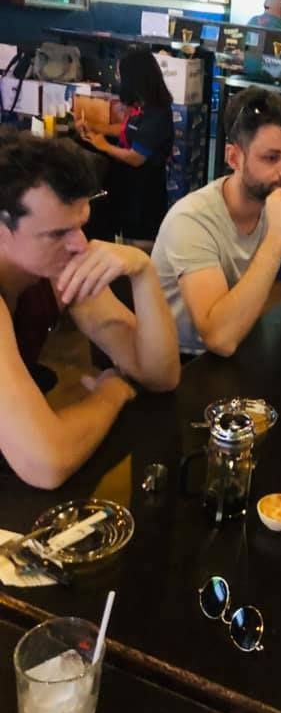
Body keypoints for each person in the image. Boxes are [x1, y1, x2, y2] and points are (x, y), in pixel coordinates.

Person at [0, 132, 180, 489]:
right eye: (57, 234)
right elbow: (47, 463)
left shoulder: (57, 270)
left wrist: (142, 272)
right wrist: (110, 392)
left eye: (81, 225)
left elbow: (160, 375)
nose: (80, 244)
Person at [151, 87, 281, 356]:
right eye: (271, 157)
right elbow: (219, 339)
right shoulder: (191, 220)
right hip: (181, 363)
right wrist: (277, 237)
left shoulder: (274, 205)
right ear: (234, 157)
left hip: (241, 348)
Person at [79, 49, 173, 247]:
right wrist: (93, 128)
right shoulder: (141, 106)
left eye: (120, 74)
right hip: (127, 187)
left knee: (138, 244)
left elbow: (136, 157)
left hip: (145, 193)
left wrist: (103, 145)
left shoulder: (158, 114)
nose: (117, 78)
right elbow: (125, 130)